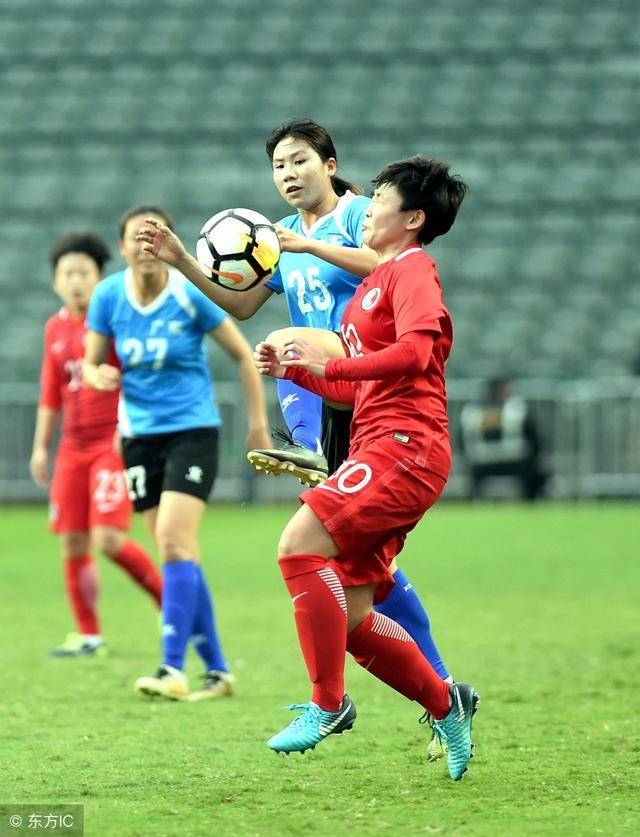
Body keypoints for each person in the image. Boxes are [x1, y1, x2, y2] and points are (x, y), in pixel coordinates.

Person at [134, 122, 454, 737]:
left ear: (329, 165)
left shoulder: (365, 216)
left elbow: (388, 264)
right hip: (333, 391)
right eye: (278, 164)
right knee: (356, 558)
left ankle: (400, 686)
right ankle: (438, 690)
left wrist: (309, 250)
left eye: (299, 160)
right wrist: (180, 261)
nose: (287, 172)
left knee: (332, 544)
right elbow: (244, 301)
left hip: (367, 382)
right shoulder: (279, 239)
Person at [254, 156, 479, 781]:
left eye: (379, 195)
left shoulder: (413, 271)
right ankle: (446, 702)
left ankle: (329, 704)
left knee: (298, 543)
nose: (368, 204)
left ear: (412, 217)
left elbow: (414, 353)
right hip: (379, 442)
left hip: (405, 447)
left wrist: (330, 368)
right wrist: (297, 372)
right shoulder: (376, 284)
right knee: (350, 618)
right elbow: (362, 390)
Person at [83, 205, 271, 701]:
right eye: (135, 238)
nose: (145, 246)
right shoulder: (107, 296)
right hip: (138, 438)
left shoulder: (189, 295)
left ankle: (171, 667)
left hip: (193, 431)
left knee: (171, 541)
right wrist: (95, 373)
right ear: (122, 248)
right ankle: (218, 671)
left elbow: (242, 355)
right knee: (178, 551)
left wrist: (257, 426)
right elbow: (90, 361)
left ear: (167, 242)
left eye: (154, 236)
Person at [30, 232, 162, 657]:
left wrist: (130, 432)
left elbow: (138, 379)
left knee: (107, 538)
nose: (75, 281)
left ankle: (172, 607)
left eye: (83, 273)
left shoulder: (112, 321)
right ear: (55, 282)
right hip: (72, 448)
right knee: (71, 541)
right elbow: (50, 394)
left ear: (99, 278)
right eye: (67, 274)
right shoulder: (54, 327)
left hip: (111, 442)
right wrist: (40, 448)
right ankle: (89, 635)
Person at [459, 377, 548, 500]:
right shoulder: (517, 409)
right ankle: (530, 504)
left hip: (480, 466)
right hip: (516, 463)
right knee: (538, 476)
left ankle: (472, 501)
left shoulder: (471, 411)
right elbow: (535, 439)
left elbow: (461, 441)